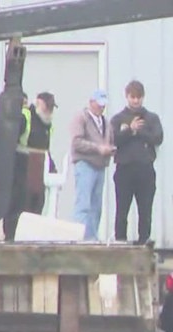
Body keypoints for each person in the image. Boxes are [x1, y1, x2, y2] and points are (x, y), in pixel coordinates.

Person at [110, 80, 163, 245]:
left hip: (145, 169)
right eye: (132, 97)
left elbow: (158, 138)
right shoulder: (118, 119)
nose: (135, 101)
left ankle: (144, 243)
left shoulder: (151, 118)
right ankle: (120, 243)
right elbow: (114, 140)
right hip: (124, 169)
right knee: (122, 210)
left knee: (145, 210)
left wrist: (140, 132)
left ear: (143, 97)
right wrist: (130, 130)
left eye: (138, 97)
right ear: (127, 97)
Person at [70, 89, 113, 241]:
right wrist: (98, 148)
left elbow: (110, 141)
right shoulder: (81, 118)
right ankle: (79, 238)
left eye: (104, 105)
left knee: (96, 206)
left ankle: (92, 237)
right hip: (85, 164)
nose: (102, 107)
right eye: (99, 104)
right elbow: (76, 142)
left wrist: (110, 149)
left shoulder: (106, 122)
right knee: (83, 205)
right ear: (91, 102)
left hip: (100, 166)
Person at [22, 91, 57, 215]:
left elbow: (45, 149)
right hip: (25, 166)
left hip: (40, 167)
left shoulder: (47, 123)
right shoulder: (27, 115)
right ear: (38, 103)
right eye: (47, 106)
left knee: (38, 205)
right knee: (25, 206)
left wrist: (51, 167)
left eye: (52, 107)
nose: (50, 110)